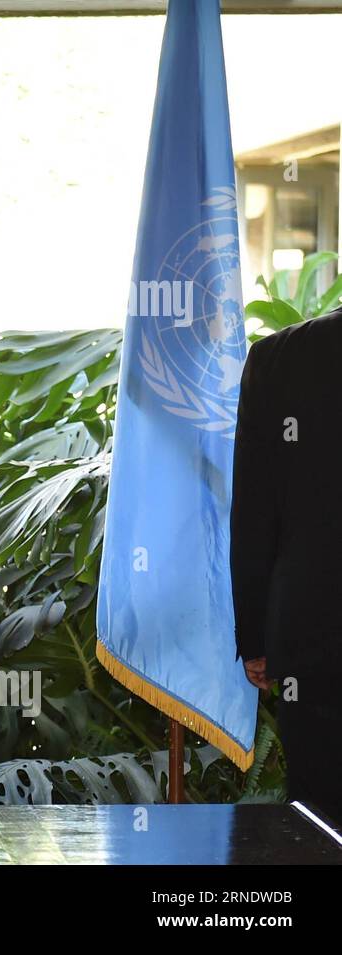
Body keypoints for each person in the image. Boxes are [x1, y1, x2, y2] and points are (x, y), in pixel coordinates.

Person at [231, 311, 342, 822]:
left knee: (319, 820)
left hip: (311, 632)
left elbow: (254, 515)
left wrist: (255, 638)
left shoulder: (276, 359)